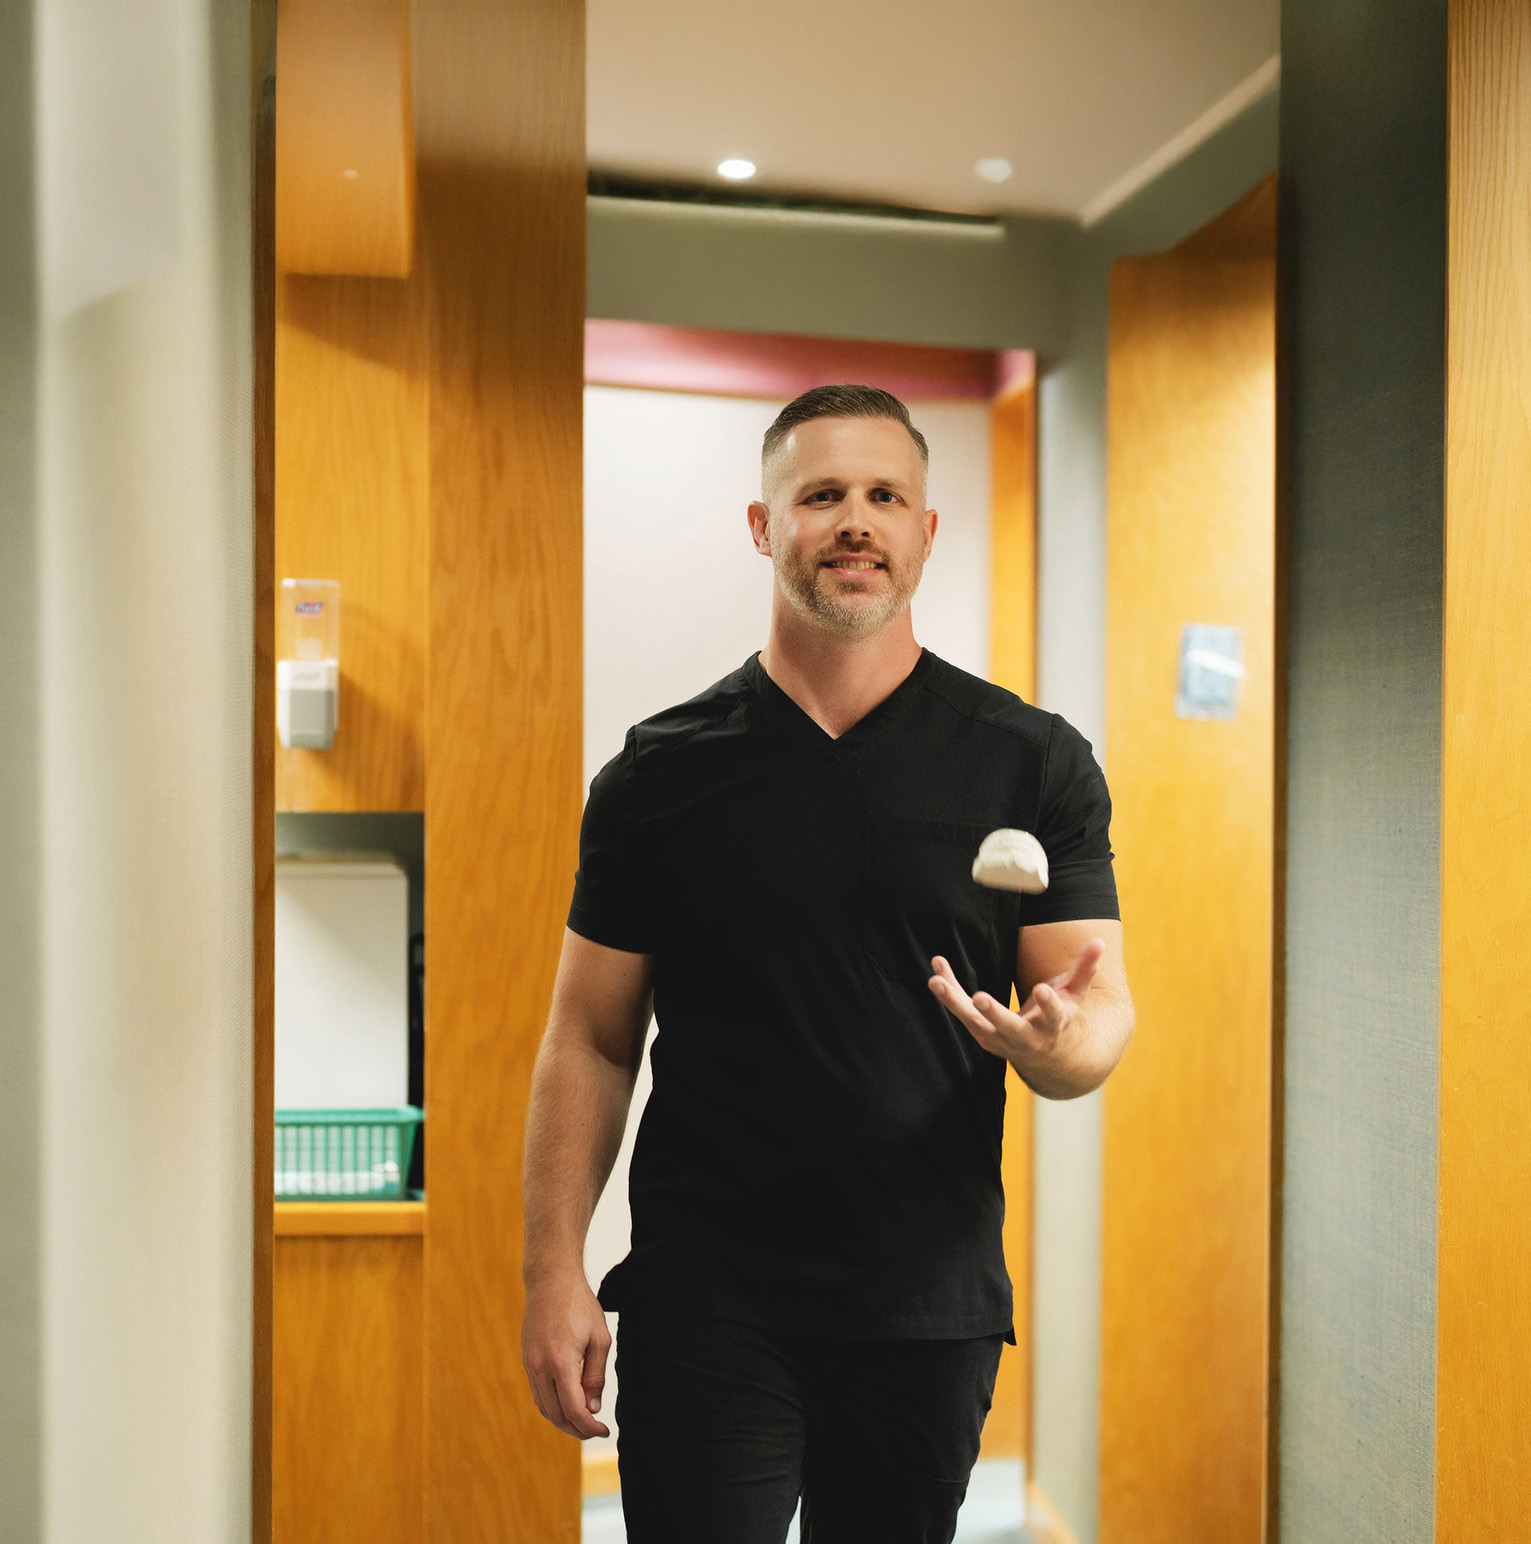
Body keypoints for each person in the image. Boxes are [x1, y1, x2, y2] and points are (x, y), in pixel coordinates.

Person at [521, 384, 1134, 1543]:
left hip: (924, 1302)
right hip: (709, 1297)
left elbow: (1093, 1010)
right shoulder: (660, 775)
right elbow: (591, 1036)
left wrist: (1059, 1046)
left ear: (924, 532)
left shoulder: (1029, 763)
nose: (856, 519)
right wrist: (551, 1268)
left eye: (885, 495)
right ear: (764, 526)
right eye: (822, 495)